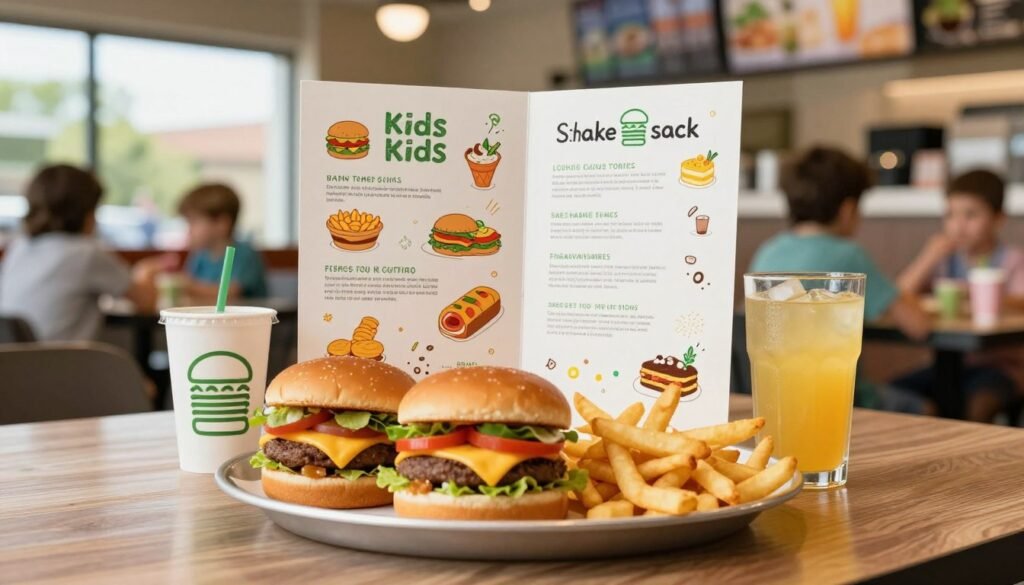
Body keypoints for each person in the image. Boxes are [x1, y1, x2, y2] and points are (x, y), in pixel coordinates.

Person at [749, 146, 931, 412]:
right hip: (837, 402)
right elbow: (918, 325)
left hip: (774, 399)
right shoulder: (849, 257)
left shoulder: (768, 250)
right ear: (848, 209)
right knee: (925, 408)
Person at [895, 169, 1024, 422]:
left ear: (998, 219)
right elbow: (898, 296)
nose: (958, 225)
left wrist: (977, 295)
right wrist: (928, 258)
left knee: (978, 404)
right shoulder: (945, 262)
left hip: (1003, 367)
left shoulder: (1013, 261)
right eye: (951, 215)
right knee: (899, 394)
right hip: (947, 366)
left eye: (971, 215)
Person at [0, 165, 158, 341]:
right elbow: (146, 303)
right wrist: (146, 271)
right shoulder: (86, 253)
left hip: (13, 363)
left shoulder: (18, 248)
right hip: (63, 364)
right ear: (87, 212)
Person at [177, 183, 268, 301]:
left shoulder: (245, 254)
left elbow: (232, 293)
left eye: (194, 221)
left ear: (222, 223)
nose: (189, 230)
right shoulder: (199, 256)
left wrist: (187, 286)